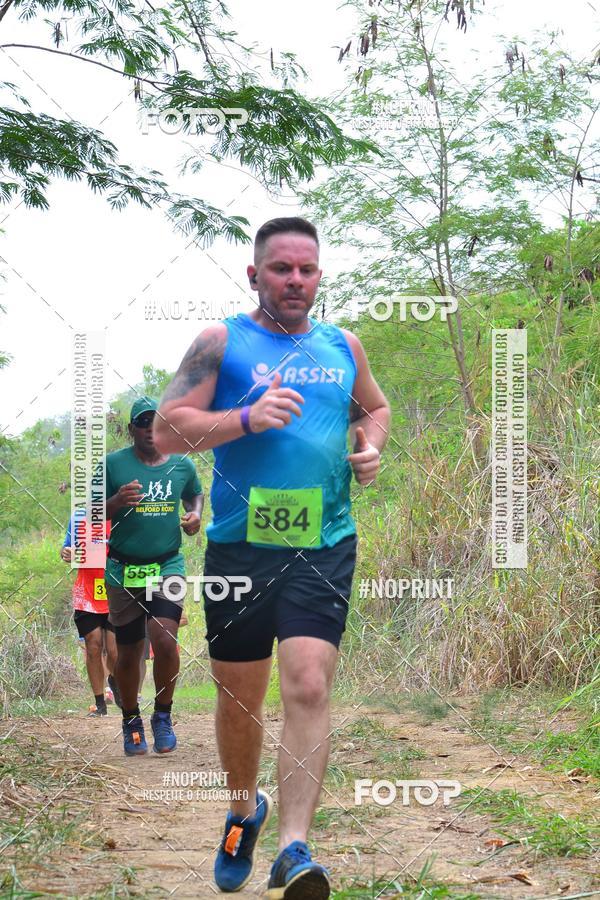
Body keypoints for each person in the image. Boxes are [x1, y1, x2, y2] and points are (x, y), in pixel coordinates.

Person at [154, 217, 390, 899]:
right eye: (281, 268)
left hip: (326, 542)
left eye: (306, 269)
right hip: (239, 547)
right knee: (239, 697)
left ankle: (294, 847)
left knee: (310, 684)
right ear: (254, 275)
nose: (295, 280)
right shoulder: (221, 342)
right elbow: (168, 430)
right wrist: (245, 419)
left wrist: (370, 446)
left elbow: (374, 408)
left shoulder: (342, 344)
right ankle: (241, 809)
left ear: (320, 276)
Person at [104, 396, 204, 756]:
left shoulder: (181, 463)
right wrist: (116, 501)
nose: (150, 429)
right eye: (142, 423)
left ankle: (162, 715)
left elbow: (195, 495)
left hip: (167, 564)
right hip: (123, 567)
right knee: (129, 652)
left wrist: (194, 517)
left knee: (164, 639)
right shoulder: (113, 464)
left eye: (156, 422)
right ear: (131, 429)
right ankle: (131, 719)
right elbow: (92, 512)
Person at [61, 512, 119, 716]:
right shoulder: (78, 517)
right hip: (87, 591)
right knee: (93, 645)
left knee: (114, 649)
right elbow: (66, 548)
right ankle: (100, 703)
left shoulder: (122, 514)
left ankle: (114, 679)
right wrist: (66, 552)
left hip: (117, 588)